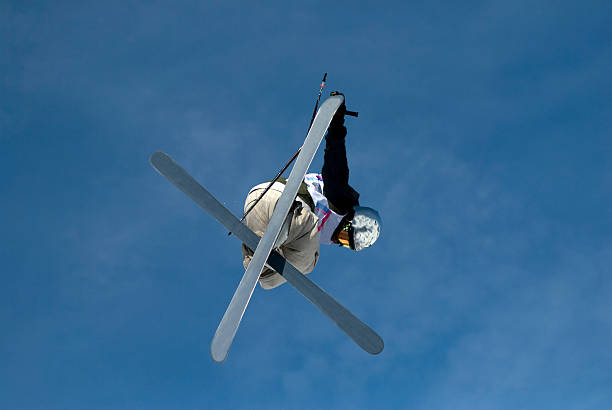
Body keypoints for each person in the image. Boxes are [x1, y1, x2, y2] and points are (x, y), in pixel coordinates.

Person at [242, 94, 382, 289]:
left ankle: (258, 259)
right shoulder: (342, 202)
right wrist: (336, 123)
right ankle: (273, 241)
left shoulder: (324, 230)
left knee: (268, 280)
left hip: (255, 202)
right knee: (309, 261)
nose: (337, 241)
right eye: (343, 235)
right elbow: (335, 164)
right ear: (351, 220)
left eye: (344, 243)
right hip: (282, 202)